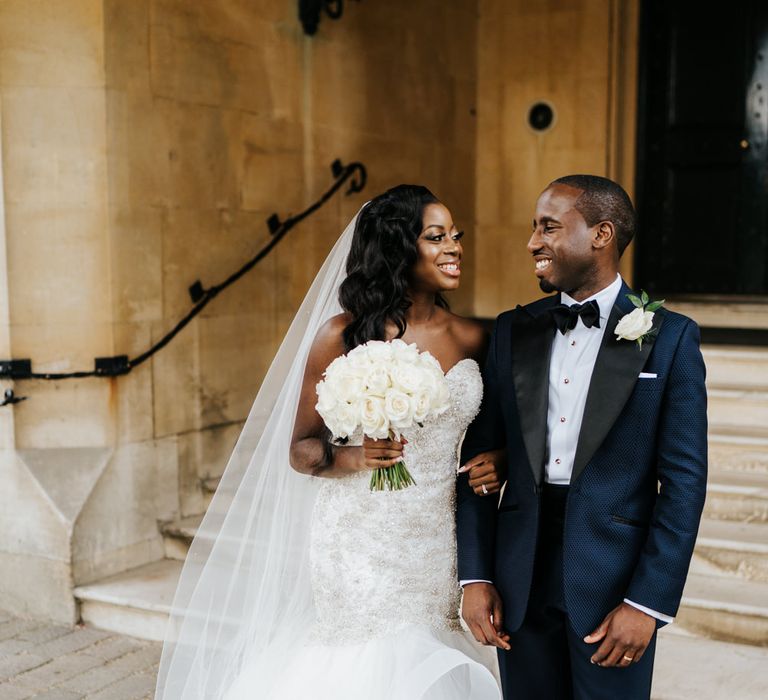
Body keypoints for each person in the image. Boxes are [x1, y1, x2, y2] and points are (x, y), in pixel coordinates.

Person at [156, 184, 504, 699]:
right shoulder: (342, 335)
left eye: (455, 235)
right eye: (436, 237)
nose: (454, 246)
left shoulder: (478, 336)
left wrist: (497, 459)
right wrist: (357, 455)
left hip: (435, 536)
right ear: (397, 248)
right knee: (368, 662)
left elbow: (496, 435)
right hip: (357, 535)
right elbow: (301, 447)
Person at [457, 174, 707, 700]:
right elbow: (476, 459)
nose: (532, 243)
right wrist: (475, 576)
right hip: (518, 579)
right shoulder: (511, 331)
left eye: (549, 227)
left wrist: (647, 604)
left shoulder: (670, 338)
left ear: (601, 234)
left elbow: (683, 484)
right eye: (533, 228)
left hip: (613, 582)